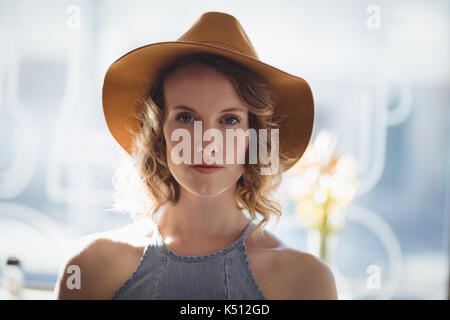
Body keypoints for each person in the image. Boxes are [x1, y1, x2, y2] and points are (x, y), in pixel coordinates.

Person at [54, 11, 337, 300]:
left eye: (229, 120)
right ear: (159, 133)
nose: (206, 143)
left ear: (254, 137)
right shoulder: (89, 269)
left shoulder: (305, 282)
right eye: (187, 118)